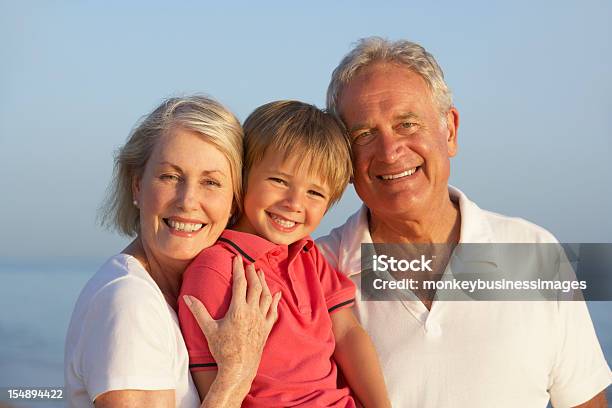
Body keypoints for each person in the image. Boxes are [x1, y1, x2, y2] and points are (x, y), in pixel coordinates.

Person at [317, 37, 611, 407]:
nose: (390, 151)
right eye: (364, 134)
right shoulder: (311, 272)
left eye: (407, 124)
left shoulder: (535, 253)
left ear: (450, 131)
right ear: (342, 156)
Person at [65, 95, 281, 408]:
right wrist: (237, 373)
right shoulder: (130, 303)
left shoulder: (179, 295)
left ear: (234, 202)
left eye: (211, 182)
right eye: (170, 176)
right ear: (137, 185)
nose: (188, 200)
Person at [179, 101, 390, 407]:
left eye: (314, 193)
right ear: (243, 174)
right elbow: (214, 386)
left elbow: (347, 335)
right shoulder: (217, 270)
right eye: (279, 181)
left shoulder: (308, 256)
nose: (294, 203)